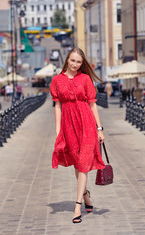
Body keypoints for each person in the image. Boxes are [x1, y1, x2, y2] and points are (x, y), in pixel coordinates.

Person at [50, 47, 105, 224]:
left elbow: (92, 104)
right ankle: (86, 194)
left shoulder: (85, 78)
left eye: (78, 62)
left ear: (82, 64)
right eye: (72, 61)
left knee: (83, 164)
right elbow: (57, 106)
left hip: (86, 124)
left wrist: (99, 128)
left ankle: (77, 205)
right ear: (67, 60)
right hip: (68, 125)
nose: (75, 64)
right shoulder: (57, 80)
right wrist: (58, 131)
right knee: (77, 161)